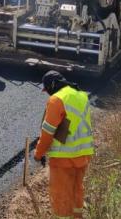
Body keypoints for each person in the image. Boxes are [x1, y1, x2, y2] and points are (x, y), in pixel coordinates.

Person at [34, 70, 94, 219]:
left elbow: (47, 134)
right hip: (84, 155)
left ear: (52, 86)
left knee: (61, 196)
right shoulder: (81, 95)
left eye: (47, 89)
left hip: (63, 158)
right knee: (76, 191)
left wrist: (38, 154)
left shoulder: (57, 100)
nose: (47, 92)